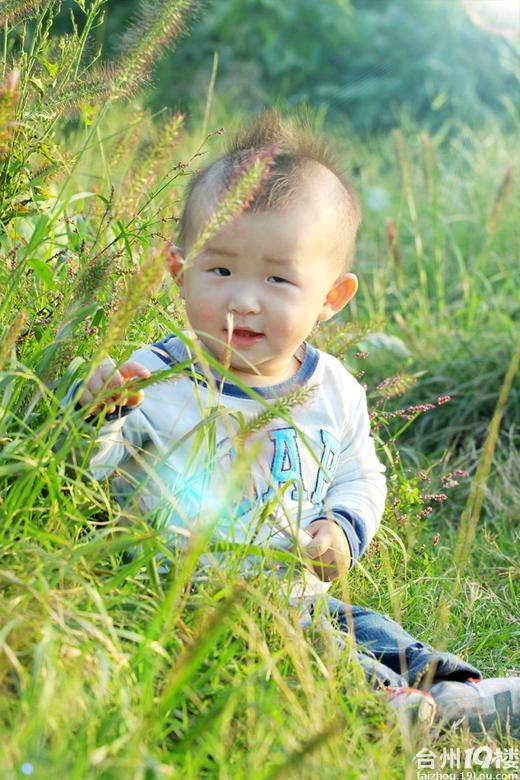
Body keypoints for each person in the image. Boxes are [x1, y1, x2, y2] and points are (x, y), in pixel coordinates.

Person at [60, 110, 519, 738]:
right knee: (311, 651)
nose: (244, 299)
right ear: (179, 270)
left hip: (300, 588)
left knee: (364, 627)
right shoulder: (155, 378)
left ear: (331, 298)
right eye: (219, 270)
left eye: (278, 279)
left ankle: (459, 691)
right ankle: (389, 712)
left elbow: (362, 475)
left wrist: (340, 528)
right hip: (196, 600)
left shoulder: (334, 390)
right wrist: (100, 416)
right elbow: (93, 476)